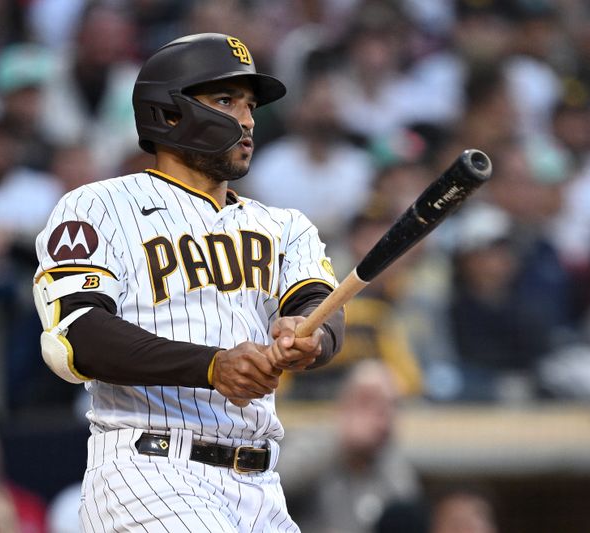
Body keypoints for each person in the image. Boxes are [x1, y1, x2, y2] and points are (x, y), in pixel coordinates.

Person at [32, 33, 345, 532]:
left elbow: (319, 303)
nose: (246, 120)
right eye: (226, 101)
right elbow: (76, 336)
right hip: (150, 469)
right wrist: (212, 366)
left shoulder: (284, 224)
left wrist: (309, 335)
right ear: (169, 113)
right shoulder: (97, 205)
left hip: (261, 485)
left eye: (250, 106)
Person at [277, 360, 422, 533]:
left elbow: (407, 516)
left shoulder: (393, 464)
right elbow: (273, 488)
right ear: (345, 404)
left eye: (391, 405)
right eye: (367, 402)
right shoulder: (313, 444)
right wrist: (342, 440)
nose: (382, 415)